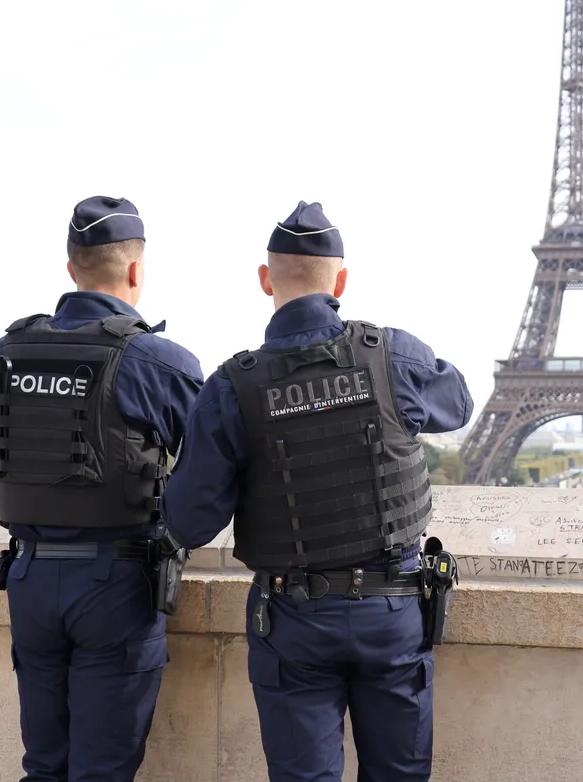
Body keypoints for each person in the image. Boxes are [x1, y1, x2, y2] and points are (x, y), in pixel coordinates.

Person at [159, 200, 474, 781]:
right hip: (393, 607)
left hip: (295, 618)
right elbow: (457, 403)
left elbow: (189, 519)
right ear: (342, 281)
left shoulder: (234, 385)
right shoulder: (390, 356)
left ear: (264, 281)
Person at [0, 195, 204, 780]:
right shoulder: (157, 361)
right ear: (136, 270)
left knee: (44, 765)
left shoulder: (7, 352)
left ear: (71, 266)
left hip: (28, 579)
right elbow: (208, 466)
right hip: (114, 585)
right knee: (102, 769)